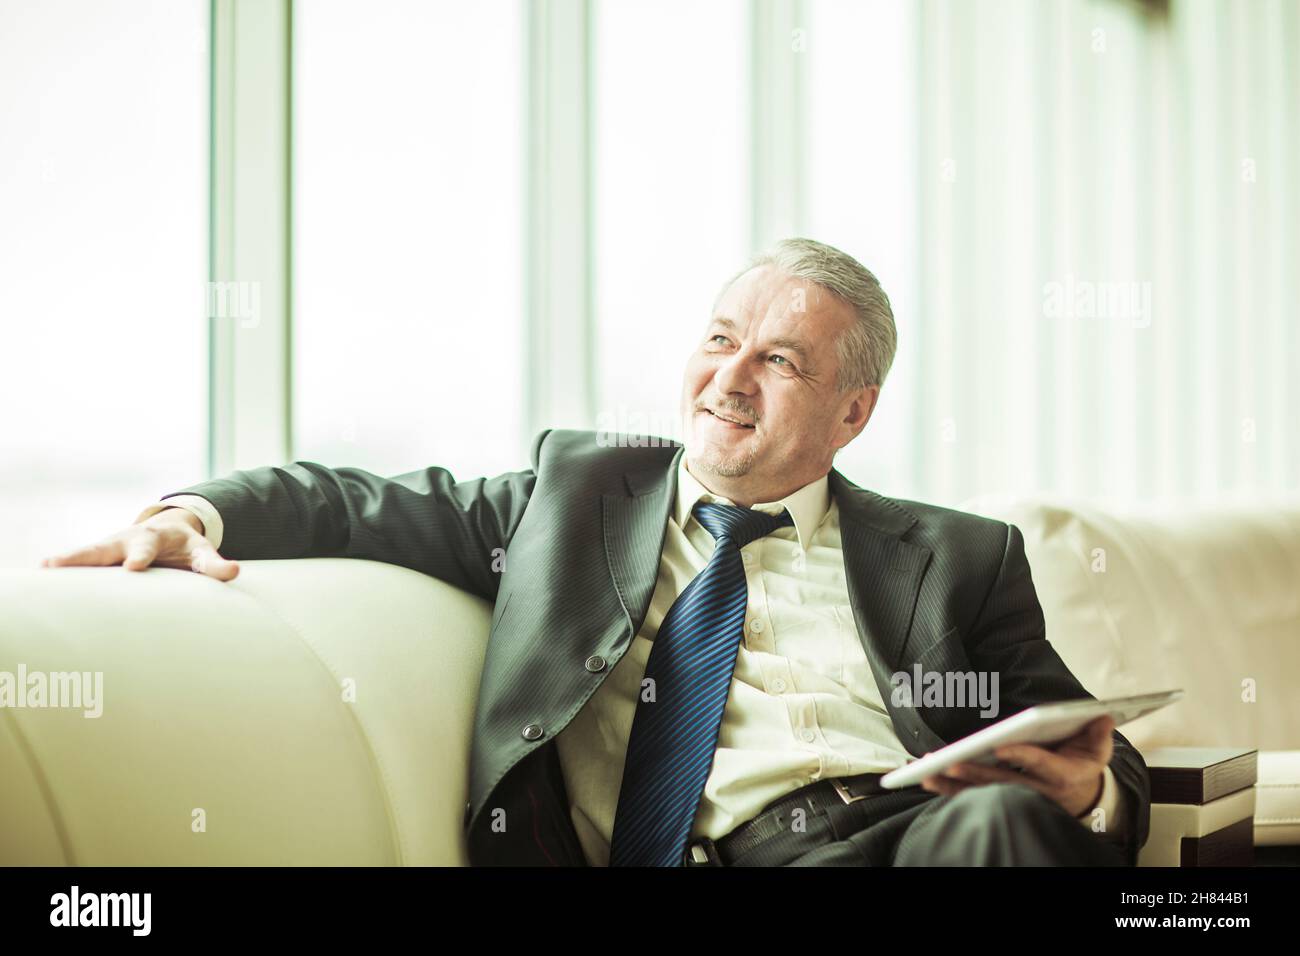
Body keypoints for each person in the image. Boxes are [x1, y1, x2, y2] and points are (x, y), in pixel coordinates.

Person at [42, 237, 1149, 867]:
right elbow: (345, 500)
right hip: (709, 854)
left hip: (918, 839)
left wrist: (1091, 788)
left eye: (778, 361)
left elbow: (1094, 746)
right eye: (718, 340)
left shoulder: (958, 553)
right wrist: (191, 512)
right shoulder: (574, 496)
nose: (728, 378)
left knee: (1008, 823)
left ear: (852, 413)